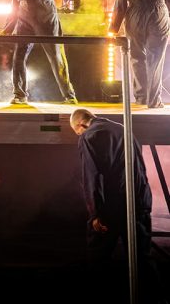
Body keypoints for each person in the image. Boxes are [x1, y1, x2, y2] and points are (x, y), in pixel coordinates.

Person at [69, 108, 163, 301]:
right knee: (142, 257)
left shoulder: (89, 136)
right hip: (139, 201)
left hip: (112, 205)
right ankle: (156, 298)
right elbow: (140, 168)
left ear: (81, 124)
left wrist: (95, 213)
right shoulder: (124, 129)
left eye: (76, 131)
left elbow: (91, 177)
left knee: (98, 257)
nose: (78, 135)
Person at [0, 0, 78, 105]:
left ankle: (69, 96)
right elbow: (14, 8)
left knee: (56, 57)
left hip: (46, 20)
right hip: (25, 22)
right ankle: (20, 95)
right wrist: (7, 28)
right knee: (19, 57)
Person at [109, 0, 169, 109]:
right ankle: (154, 100)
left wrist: (113, 28)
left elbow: (120, 4)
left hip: (135, 16)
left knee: (136, 57)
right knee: (155, 59)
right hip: (158, 16)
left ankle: (142, 97)